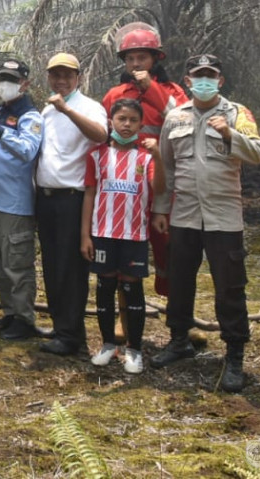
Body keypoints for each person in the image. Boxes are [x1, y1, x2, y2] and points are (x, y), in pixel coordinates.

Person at [149, 54, 260, 391]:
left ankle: (234, 354)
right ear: (187, 81)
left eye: (210, 76)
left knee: (230, 286)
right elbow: (166, 168)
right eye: (198, 76)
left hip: (224, 217)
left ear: (220, 81)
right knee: (180, 279)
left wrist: (230, 134)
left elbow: (257, 153)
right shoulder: (175, 117)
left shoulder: (237, 113)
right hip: (184, 213)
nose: (204, 81)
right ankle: (179, 340)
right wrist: (159, 209)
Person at [101, 25, 187, 335]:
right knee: (122, 255)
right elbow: (103, 138)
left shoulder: (172, 93)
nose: (136, 64)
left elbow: (180, 118)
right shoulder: (114, 96)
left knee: (170, 252)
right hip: (125, 188)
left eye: (142, 58)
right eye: (131, 59)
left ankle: (179, 322)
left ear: (155, 59)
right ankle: (124, 321)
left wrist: (151, 87)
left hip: (163, 185)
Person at [81, 99, 165, 375]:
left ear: (141, 125)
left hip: (134, 235)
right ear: (111, 122)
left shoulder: (146, 158)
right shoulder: (96, 156)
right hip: (103, 233)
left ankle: (134, 349)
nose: (126, 125)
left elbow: (159, 187)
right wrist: (85, 235)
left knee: (132, 289)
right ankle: (107, 345)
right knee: (104, 288)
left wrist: (160, 156)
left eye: (133, 120)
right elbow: (90, 194)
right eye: (121, 119)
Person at [35, 53, 108, 357]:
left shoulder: (90, 107)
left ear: (79, 77)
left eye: (67, 75)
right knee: (52, 265)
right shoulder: (46, 111)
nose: (61, 81)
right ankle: (62, 325)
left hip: (73, 198)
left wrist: (67, 110)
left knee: (71, 267)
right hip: (46, 197)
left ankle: (71, 335)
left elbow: (102, 135)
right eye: (56, 75)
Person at [0, 58, 44, 340]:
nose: (6, 85)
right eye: (3, 79)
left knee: (17, 263)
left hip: (14, 203)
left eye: (12, 80)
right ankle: (10, 313)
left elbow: (28, 150)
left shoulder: (31, 116)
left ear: (25, 84)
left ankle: (25, 320)